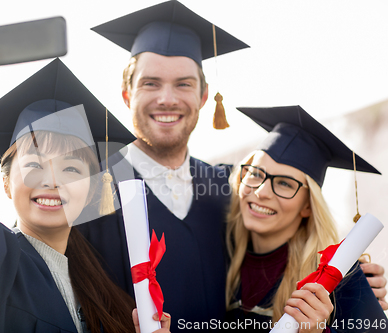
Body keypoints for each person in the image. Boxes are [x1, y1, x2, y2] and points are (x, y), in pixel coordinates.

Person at [78, 1, 388, 332]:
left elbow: (283, 250)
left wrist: (350, 285)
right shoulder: (85, 190)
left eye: (183, 84)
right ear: (126, 94)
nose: (167, 99)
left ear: (203, 96)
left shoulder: (226, 188)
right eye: (150, 83)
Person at [0, 23, 171, 333]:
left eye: (71, 169)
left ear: (90, 193)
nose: (52, 180)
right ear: (6, 182)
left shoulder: (95, 287)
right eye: (35, 164)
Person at [225, 105, 387, 332]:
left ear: (308, 207)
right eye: (255, 173)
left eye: (284, 183)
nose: (261, 191)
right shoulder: (220, 259)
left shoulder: (338, 279)